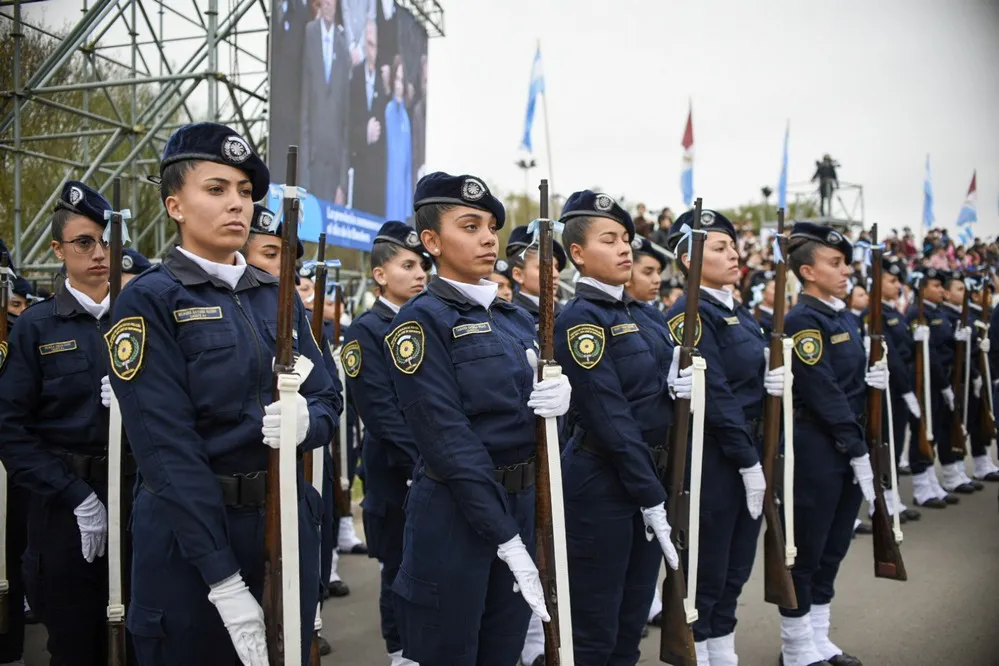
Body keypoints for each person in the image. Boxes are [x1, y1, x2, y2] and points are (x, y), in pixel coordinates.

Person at [107, 122, 339, 665]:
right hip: (192, 538)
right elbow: (167, 450)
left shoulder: (275, 299)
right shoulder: (150, 302)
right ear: (175, 206)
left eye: (243, 191)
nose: (236, 203)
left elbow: (328, 397)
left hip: (282, 520)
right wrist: (222, 579)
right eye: (216, 190)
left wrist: (309, 421)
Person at [384, 172, 568, 665]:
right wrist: (504, 535)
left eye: (490, 226)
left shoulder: (517, 320)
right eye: (470, 226)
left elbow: (536, 428)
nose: (488, 237)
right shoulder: (420, 322)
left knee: (501, 653)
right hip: (457, 516)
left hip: (523, 503)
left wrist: (559, 406)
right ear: (431, 241)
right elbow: (447, 440)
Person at [554, 190, 682, 664]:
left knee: (630, 625)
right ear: (579, 255)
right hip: (602, 485)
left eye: (626, 238)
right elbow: (611, 418)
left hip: (646, 481)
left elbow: (651, 398)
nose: (625, 248)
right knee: (594, 628)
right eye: (610, 239)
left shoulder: (644, 315)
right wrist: (652, 496)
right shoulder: (580, 319)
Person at [0, 181, 117, 666]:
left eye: (107, 241)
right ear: (57, 249)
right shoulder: (37, 326)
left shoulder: (141, 317)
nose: (98, 254)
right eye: (83, 242)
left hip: (137, 496)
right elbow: (10, 429)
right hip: (66, 507)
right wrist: (77, 497)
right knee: (75, 642)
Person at [663, 209, 785, 665]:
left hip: (751, 449)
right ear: (688, 258)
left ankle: (722, 651)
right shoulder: (689, 314)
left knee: (736, 564)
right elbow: (715, 396)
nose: (733, 255)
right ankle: (701, 652)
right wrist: (748, 461)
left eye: (733, 247)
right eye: (719, 248)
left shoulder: (742, 313)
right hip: (716, 457)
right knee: (708, 568)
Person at [779, 222, 884, 666]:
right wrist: (855, 446)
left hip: (848, 441)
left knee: (835, 544)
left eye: (845, 263)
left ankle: (819, 637)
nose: (846, 271)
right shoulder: (803, 319)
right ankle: (796, 646)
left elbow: (848, 385)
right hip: (819, 446)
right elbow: (821, 390)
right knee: (806, 549)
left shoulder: (844, 315)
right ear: (807, 272)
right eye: (834, 263)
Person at [241, 203, 337, 656]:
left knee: (289, 642)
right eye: (270, 254)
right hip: (216, 503)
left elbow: (327, 396)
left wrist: (307, 422)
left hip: (283, 498)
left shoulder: (290, 306)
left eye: (289, 259)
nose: (285, 269)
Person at [342, 221, 428, 666]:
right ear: (380, 274)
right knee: (398, 566)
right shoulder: (366, 332)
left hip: (431, 468)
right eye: (408, 265)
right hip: (397, 472)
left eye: (423, 266)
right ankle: (400, 652)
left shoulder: (427, 321)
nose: (420, 274)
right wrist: (431, 459)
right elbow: (380, 414)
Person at [905, 267, 960, 508]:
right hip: (926, 380)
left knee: (934, 431)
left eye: (941, 286)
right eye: (935, 286)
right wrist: (944, 383)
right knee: (922, 431)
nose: (940, 290)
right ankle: (921, 485)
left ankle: (930, 479)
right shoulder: (917, 314)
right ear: (922, 289)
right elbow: (932, 356)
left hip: (939, 380)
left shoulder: (936, 312)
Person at [874, 257, 922, 522]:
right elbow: (890, 357)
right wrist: (905, 390)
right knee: (885, 443)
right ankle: (881, 499)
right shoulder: (876, 313)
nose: (897, 286)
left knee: (896, 442)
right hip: (888, 389)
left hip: (900, 388)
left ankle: (891, 497)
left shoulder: (894, 313)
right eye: (891, 281)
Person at [300, 0, 350, 204]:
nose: (329, 5)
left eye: (333, 1)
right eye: (326, 1)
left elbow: (345, 120)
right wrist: (303, 178)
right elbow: (304, 109)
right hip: (312, 160)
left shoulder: (342, 43)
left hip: (334, 165)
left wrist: (343, 184)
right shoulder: (308, 33)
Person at [938, 272, 982, 494]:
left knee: (962, 421)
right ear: (946, 293)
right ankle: (949, 472)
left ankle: (958, 469)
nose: (963, 294)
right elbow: (947, 351)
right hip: (951, 377)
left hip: (965, 375)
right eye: (959, 289)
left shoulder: (965, 314)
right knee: (950, 423)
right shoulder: (944, 315)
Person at [348, 17, 387, 217]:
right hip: (357, 168)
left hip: (376, 178)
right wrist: (365, 133)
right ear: (364, 44)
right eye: (369, 44)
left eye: (375, 45)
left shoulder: (382, 83)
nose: (372, 50)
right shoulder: (353, 77)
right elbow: (344, 125)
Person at [967, 281, 999, 482]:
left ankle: (983, 458)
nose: (988, 296)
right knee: (975, 419)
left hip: (988, 376)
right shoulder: (972, 315)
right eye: (983, 292)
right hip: (975, 376)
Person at [504, 224, 566, 324]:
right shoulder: (510, 319)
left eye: (556, 267)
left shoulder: (567, 313)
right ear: (518, 275)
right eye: (544, 267)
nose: (555, 274)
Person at [384, 55, 413, 221]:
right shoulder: (388, 111)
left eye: (402, 80)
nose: (399, 85)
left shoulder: (406, 118)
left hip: (401, 196)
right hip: (388, 192)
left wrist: (408, 206)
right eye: (397, 79)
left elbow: (408, 165)